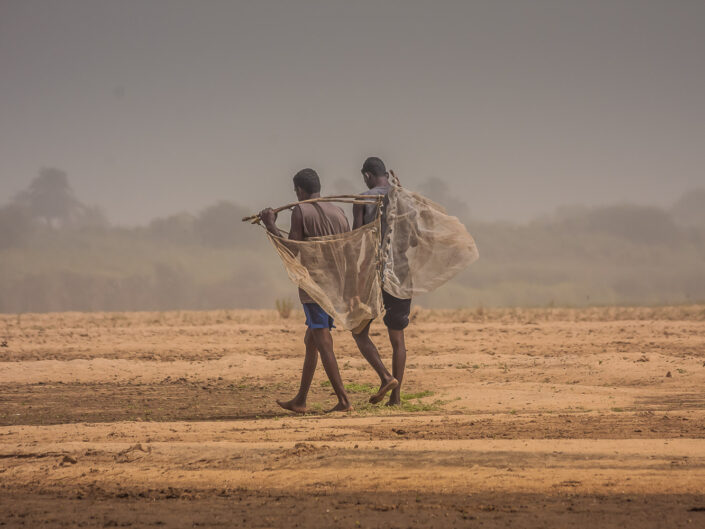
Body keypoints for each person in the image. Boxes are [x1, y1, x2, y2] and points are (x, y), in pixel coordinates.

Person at [259, 168, 353, 413]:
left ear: (299, 190)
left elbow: (292, 250)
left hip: (315, 286)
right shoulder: (339, 211)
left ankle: (343, 400)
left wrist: (270, 225)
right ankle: (300, 400)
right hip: (336, 286)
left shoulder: (301, 211)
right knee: (311, 339)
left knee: (322, 339)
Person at [351, 156, 411, 406]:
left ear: (367, 175)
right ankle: (395, 398)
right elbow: (413, 240)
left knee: (359, 331)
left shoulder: (363, 200)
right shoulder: (405, 199)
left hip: (373, 273)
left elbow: (356, 240)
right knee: (397, 338)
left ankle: (386, 376)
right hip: (401, 273)